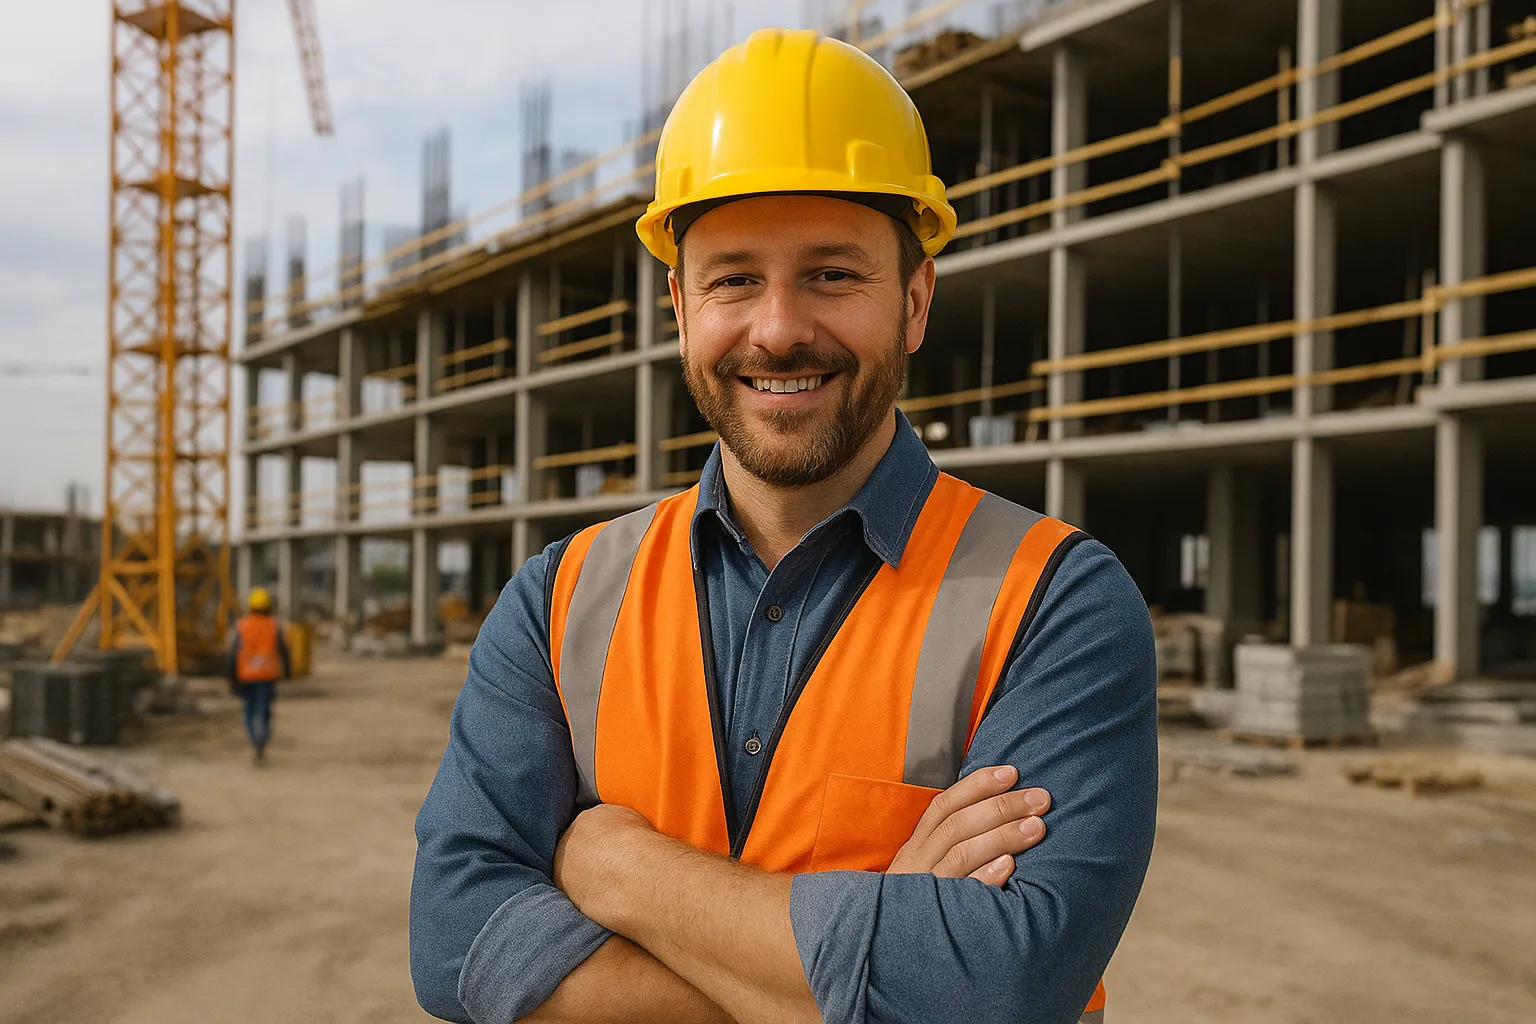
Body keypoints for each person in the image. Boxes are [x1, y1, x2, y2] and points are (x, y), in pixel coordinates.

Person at [412, 28, 1157, 1024]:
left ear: (916, 301)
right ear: (680, 307)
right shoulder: (560, 599)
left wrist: (622, 868)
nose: (776, 328)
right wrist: (880, 946)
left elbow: (1002, 984)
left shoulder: (1055, 599)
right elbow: (456, 938)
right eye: (732, 279)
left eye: (833, 274)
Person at [229, 586, 290, 765]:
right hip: (267, 674)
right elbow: (283, 650)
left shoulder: (242, 625)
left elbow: (233, 653)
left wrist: (231, 676)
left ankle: (255, 739)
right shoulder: (273, 625)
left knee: (249, 709)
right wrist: (287, 671)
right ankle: (262, 737)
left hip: (246, 675)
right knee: (263, 709)